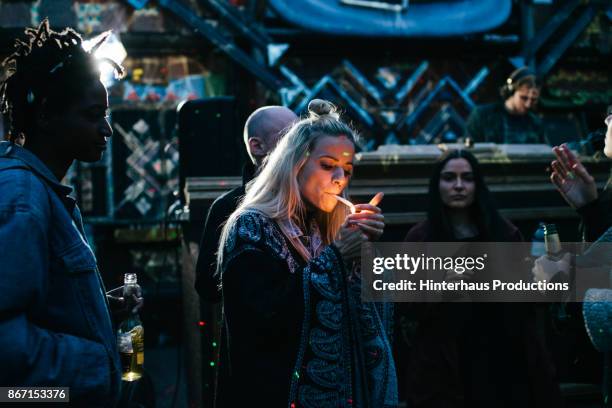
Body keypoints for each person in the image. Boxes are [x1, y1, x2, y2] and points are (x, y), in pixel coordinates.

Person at [215, 99, 397, 407]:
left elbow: (362, 320)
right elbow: (261, 321)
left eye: (347, 169)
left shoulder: (324, 226)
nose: (339, 178)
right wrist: (337, 259)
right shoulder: (250, 227)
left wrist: (366, 255)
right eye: (327, 166)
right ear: (295, 164)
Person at [0, 20, 129, 406]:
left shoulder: (42, 192)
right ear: (44, 116)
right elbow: (6, 345)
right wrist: (97, 366)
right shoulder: (23, 197)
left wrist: (101, 311)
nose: (107, 130)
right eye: (92, 115)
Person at [400, 149, 561, 407]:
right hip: (444, 361)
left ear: (478, 185)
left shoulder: (505, 233)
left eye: (468, 178)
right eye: (449, 178)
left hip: (500, 357)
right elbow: (406, 302)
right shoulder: (421, 238)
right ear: (437, 185)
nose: (459, 186)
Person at [194, 105, 297, 303]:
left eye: (347, 169)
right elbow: (206, 287)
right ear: (257, 146)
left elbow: (374, 288)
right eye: (290, 137)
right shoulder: (227, 209)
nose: (302, 146)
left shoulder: (318, 202)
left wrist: (375, 245)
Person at [465, 67, 547, 144]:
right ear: (511, 91)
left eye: (533, 99)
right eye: (524, 98)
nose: (528, 104)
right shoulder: (482, 115)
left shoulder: (535, 123)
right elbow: (470, 149)